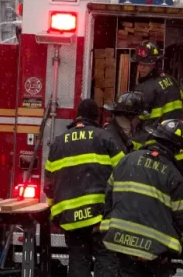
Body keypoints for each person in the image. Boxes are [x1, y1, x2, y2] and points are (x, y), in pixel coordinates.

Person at [101, 119, 183, 277]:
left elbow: (109, 198)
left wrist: (108, 225)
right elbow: (180, 220)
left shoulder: (126, 160)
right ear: (177, 149)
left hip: (120, 241)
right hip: (154, 251)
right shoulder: (174, 176)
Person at [44, 98, 125, 277]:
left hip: (70, 218)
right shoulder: (105, 138)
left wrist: (54, 211)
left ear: (77, 115)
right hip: (99, 216)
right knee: (105, 258)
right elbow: (125, 173)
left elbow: (49, 184)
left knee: (78, 260)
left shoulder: (58, 142)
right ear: (96, 116)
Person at [134, 41, 183, 168]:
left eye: (145, 65)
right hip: (176, 144)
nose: (140, 68)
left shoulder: (144, 88)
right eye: (139, 64)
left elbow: (138, 116)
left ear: (155, 65)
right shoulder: (171, 80)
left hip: (152, 143)